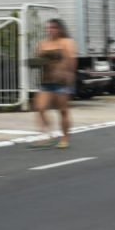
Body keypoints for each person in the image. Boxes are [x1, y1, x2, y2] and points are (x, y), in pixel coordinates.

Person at [32, 19, 77, 149]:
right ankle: (48, 134)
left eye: (54, 28)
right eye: (49, 28)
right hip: (47, 81)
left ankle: (65, 137)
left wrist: (70, 74)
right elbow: (38, 59)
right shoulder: (43, 43)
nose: (50, 30)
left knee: (63, 111)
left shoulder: (67, 42)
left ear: (60, 29)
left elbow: (72, 60)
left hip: (62, 81)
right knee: (40, 107)